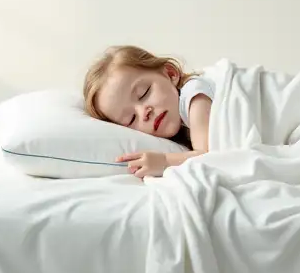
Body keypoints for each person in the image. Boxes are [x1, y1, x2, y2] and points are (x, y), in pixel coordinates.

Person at [83, 45, 213, 178]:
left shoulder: (196, 95)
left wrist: (165, 161)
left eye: (143, 93)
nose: (144, 112)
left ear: (170, 73)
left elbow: (209, 157)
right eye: (131, 118)